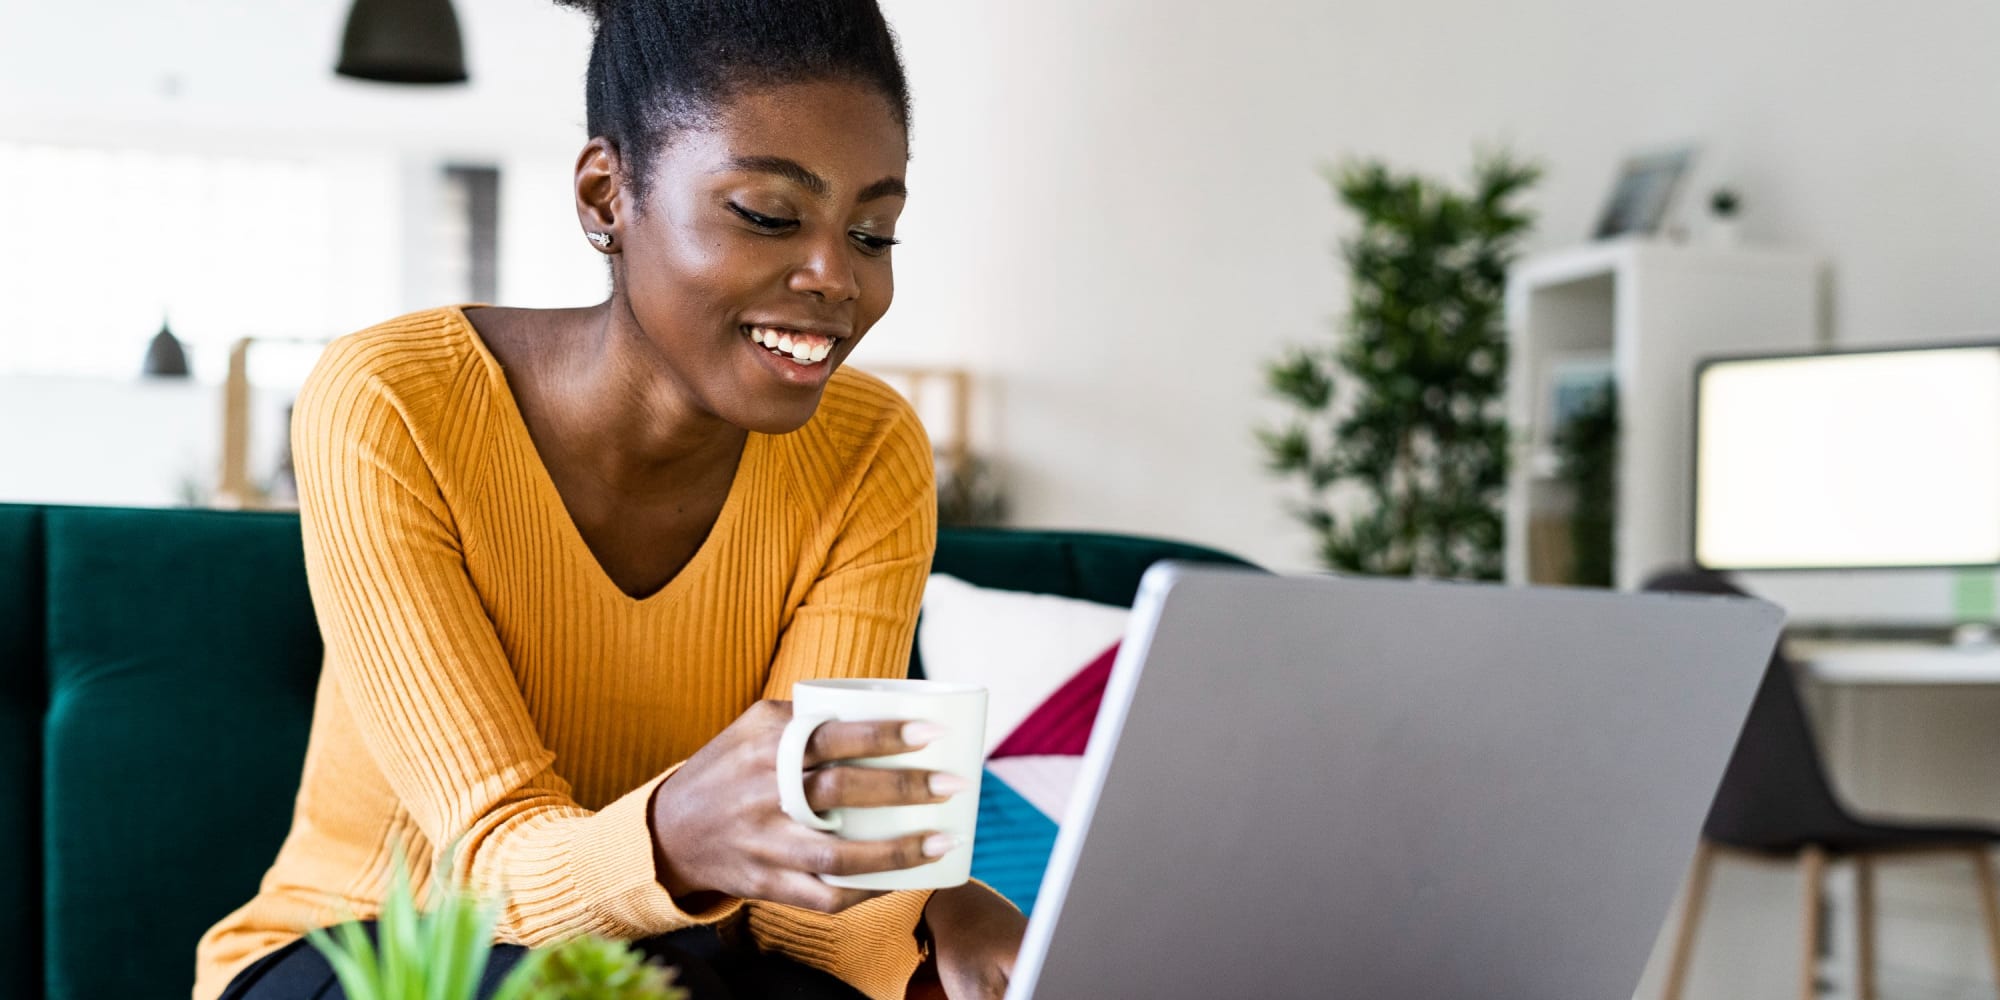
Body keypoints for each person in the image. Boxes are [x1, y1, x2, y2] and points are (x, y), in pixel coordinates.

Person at [192, 2, 1027, 997]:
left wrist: (932, 917)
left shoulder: (870, 450)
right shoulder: (390, 402)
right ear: (604, 197)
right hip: (377, 946)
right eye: (766, 214)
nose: (833, 278)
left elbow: (802, 876)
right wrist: (678, 829)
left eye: (871, 232)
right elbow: (487, 866)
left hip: (677, 961)